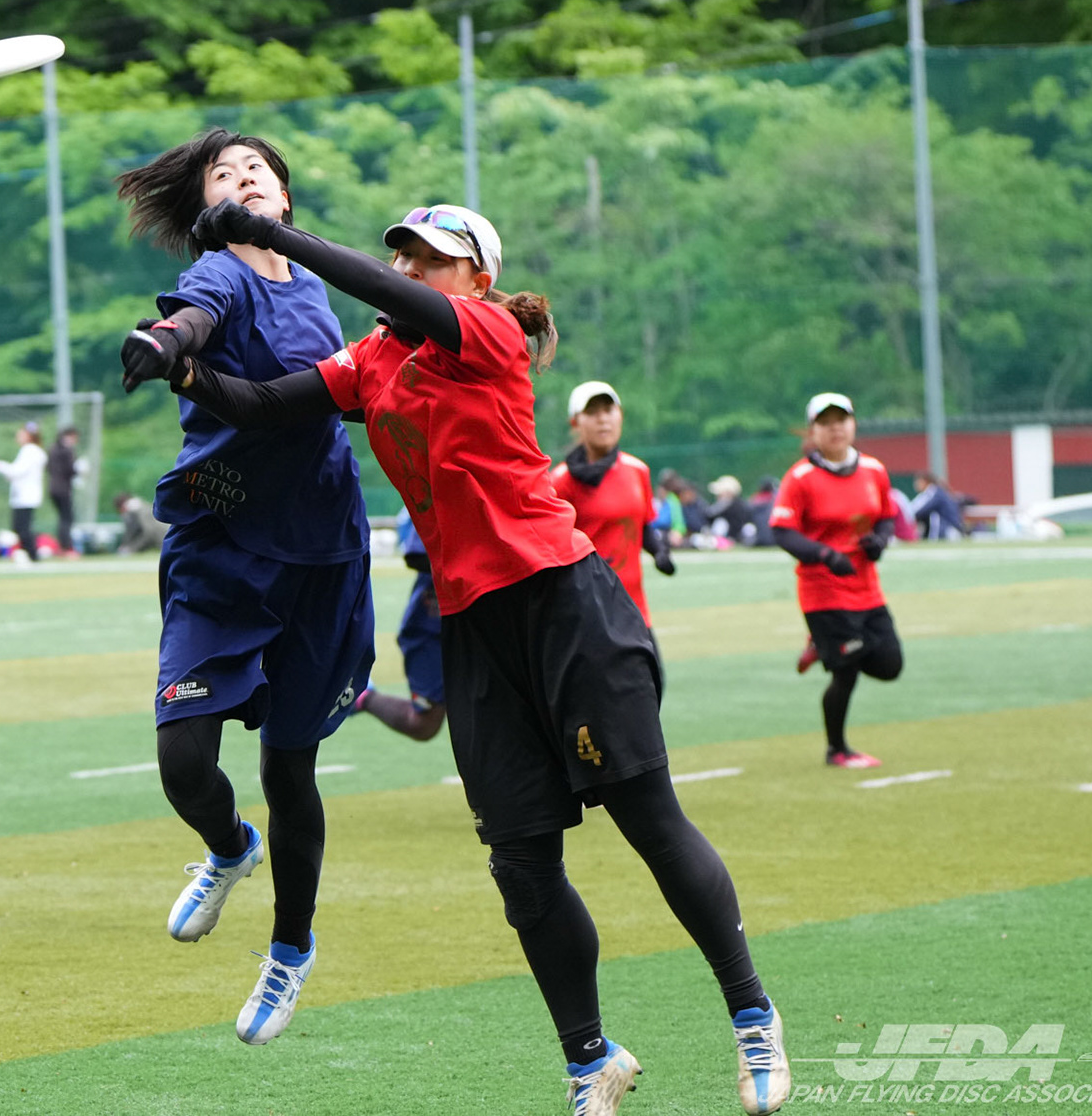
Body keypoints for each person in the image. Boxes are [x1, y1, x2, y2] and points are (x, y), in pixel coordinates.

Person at [163, 197, 789, 1116]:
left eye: (430, 257)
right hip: (473, 629)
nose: (408, 269)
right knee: (521, 865)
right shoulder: (373, 359)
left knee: (649, 821)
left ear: (478, 278)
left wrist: (278, 237)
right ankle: (590, 1063)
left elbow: (384, 293)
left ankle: (753, 1015)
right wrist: (178, 366)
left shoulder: (489, 332)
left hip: (563, 602)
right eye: (403, 255)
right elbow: (260, 406)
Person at [114, 128, 375, 1048]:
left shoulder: (320, 282)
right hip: (221, 538)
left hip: (322, 551)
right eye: (223, 174)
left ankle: (289, 950)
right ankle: (230, 847)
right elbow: (194, 314)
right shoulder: (219, 272)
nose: (243, 177)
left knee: (288, 767)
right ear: (208, 210)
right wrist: (165, 340)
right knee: (184, 761)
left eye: (257, 167)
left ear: (286, 195)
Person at [772, 393, 904, 769]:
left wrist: (880, 541)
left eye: (841, 420)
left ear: (853, 424)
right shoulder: (801, 477)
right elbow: (782, 531)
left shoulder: (873, 470)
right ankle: (837, 749)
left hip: (866, 587)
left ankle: (823, 646)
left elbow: (886, 516)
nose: (835, 429)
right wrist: (825, 555)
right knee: (846, 671)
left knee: (889, 665)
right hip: (823, 591)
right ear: (813, 431)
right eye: (826, 423)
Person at [549, 382, 672, 623]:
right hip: (586, 612)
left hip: (634, 608)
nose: (603, 419)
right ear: (575, 422)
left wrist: (659, 552)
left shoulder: (638, 470)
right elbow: (552, 546)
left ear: (620, 415)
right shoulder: (561, 481)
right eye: (592, 412)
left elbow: (643, 524)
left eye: (608, 410)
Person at [350, 508, 445, 741]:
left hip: (493, 618)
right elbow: (416, 553)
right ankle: (361, 696)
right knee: (424, 723)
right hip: (435, 624)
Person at [0, 422, 47, 562]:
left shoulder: (29, 450)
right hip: (24, 495)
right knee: (20, 528)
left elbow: (17, 471)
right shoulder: (35, 451)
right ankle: (27, 554)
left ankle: (32, 555)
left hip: (25, 495)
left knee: (23, 529)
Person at [46, 426, 86, 556]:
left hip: (53, 487)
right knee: (67, 518)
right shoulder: (67, 450)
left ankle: (62, 546)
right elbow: (70, 469)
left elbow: (48, 467)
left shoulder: (52, 448)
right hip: (63, 488)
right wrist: (80, 471)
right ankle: (66, 547)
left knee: (62, 518)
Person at [908, 472, 967, 540]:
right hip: (949, 529)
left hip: (949, 529)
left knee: (933, 516)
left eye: (918, 482)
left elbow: (920, 511)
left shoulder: (934, 492)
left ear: (925, 481)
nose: (915, 484)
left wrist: (906, 516)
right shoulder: (930, 492)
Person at [705, 475, 755, 545]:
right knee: (720, 522)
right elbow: (709, 515)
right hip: (726, 536)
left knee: (749, 527)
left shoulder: (741, 506)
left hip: (739, 536)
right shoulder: (720, 506)